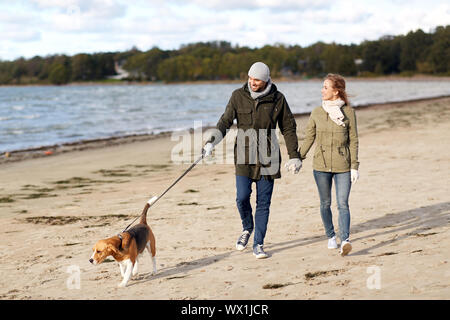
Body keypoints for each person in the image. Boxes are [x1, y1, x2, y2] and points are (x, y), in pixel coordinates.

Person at [202, 62, 302, 259]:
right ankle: (247, 228)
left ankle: (259, 244)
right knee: (241, 197)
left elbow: (288, 128)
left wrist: (295, 156)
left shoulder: (278, 99)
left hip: (269, 157)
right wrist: (210, 143)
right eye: (250, 78)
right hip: (244, 156)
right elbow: (224, 122)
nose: (252, 82)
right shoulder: (237, 96)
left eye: (257, 79)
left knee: (263, 203)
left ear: (265, 80)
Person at [299, 73, 359, 256]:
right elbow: (310, 137)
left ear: (336, 91)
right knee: (325, 203)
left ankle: (345, 240)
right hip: (321, 166)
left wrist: (354, 166)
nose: (322, 90)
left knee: (343, 204)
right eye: (323, 86)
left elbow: (354, 140)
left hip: (343, 165)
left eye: (325, 87)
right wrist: (298, 157)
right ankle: (331, 236)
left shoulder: (348, 113)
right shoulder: (317, 112)